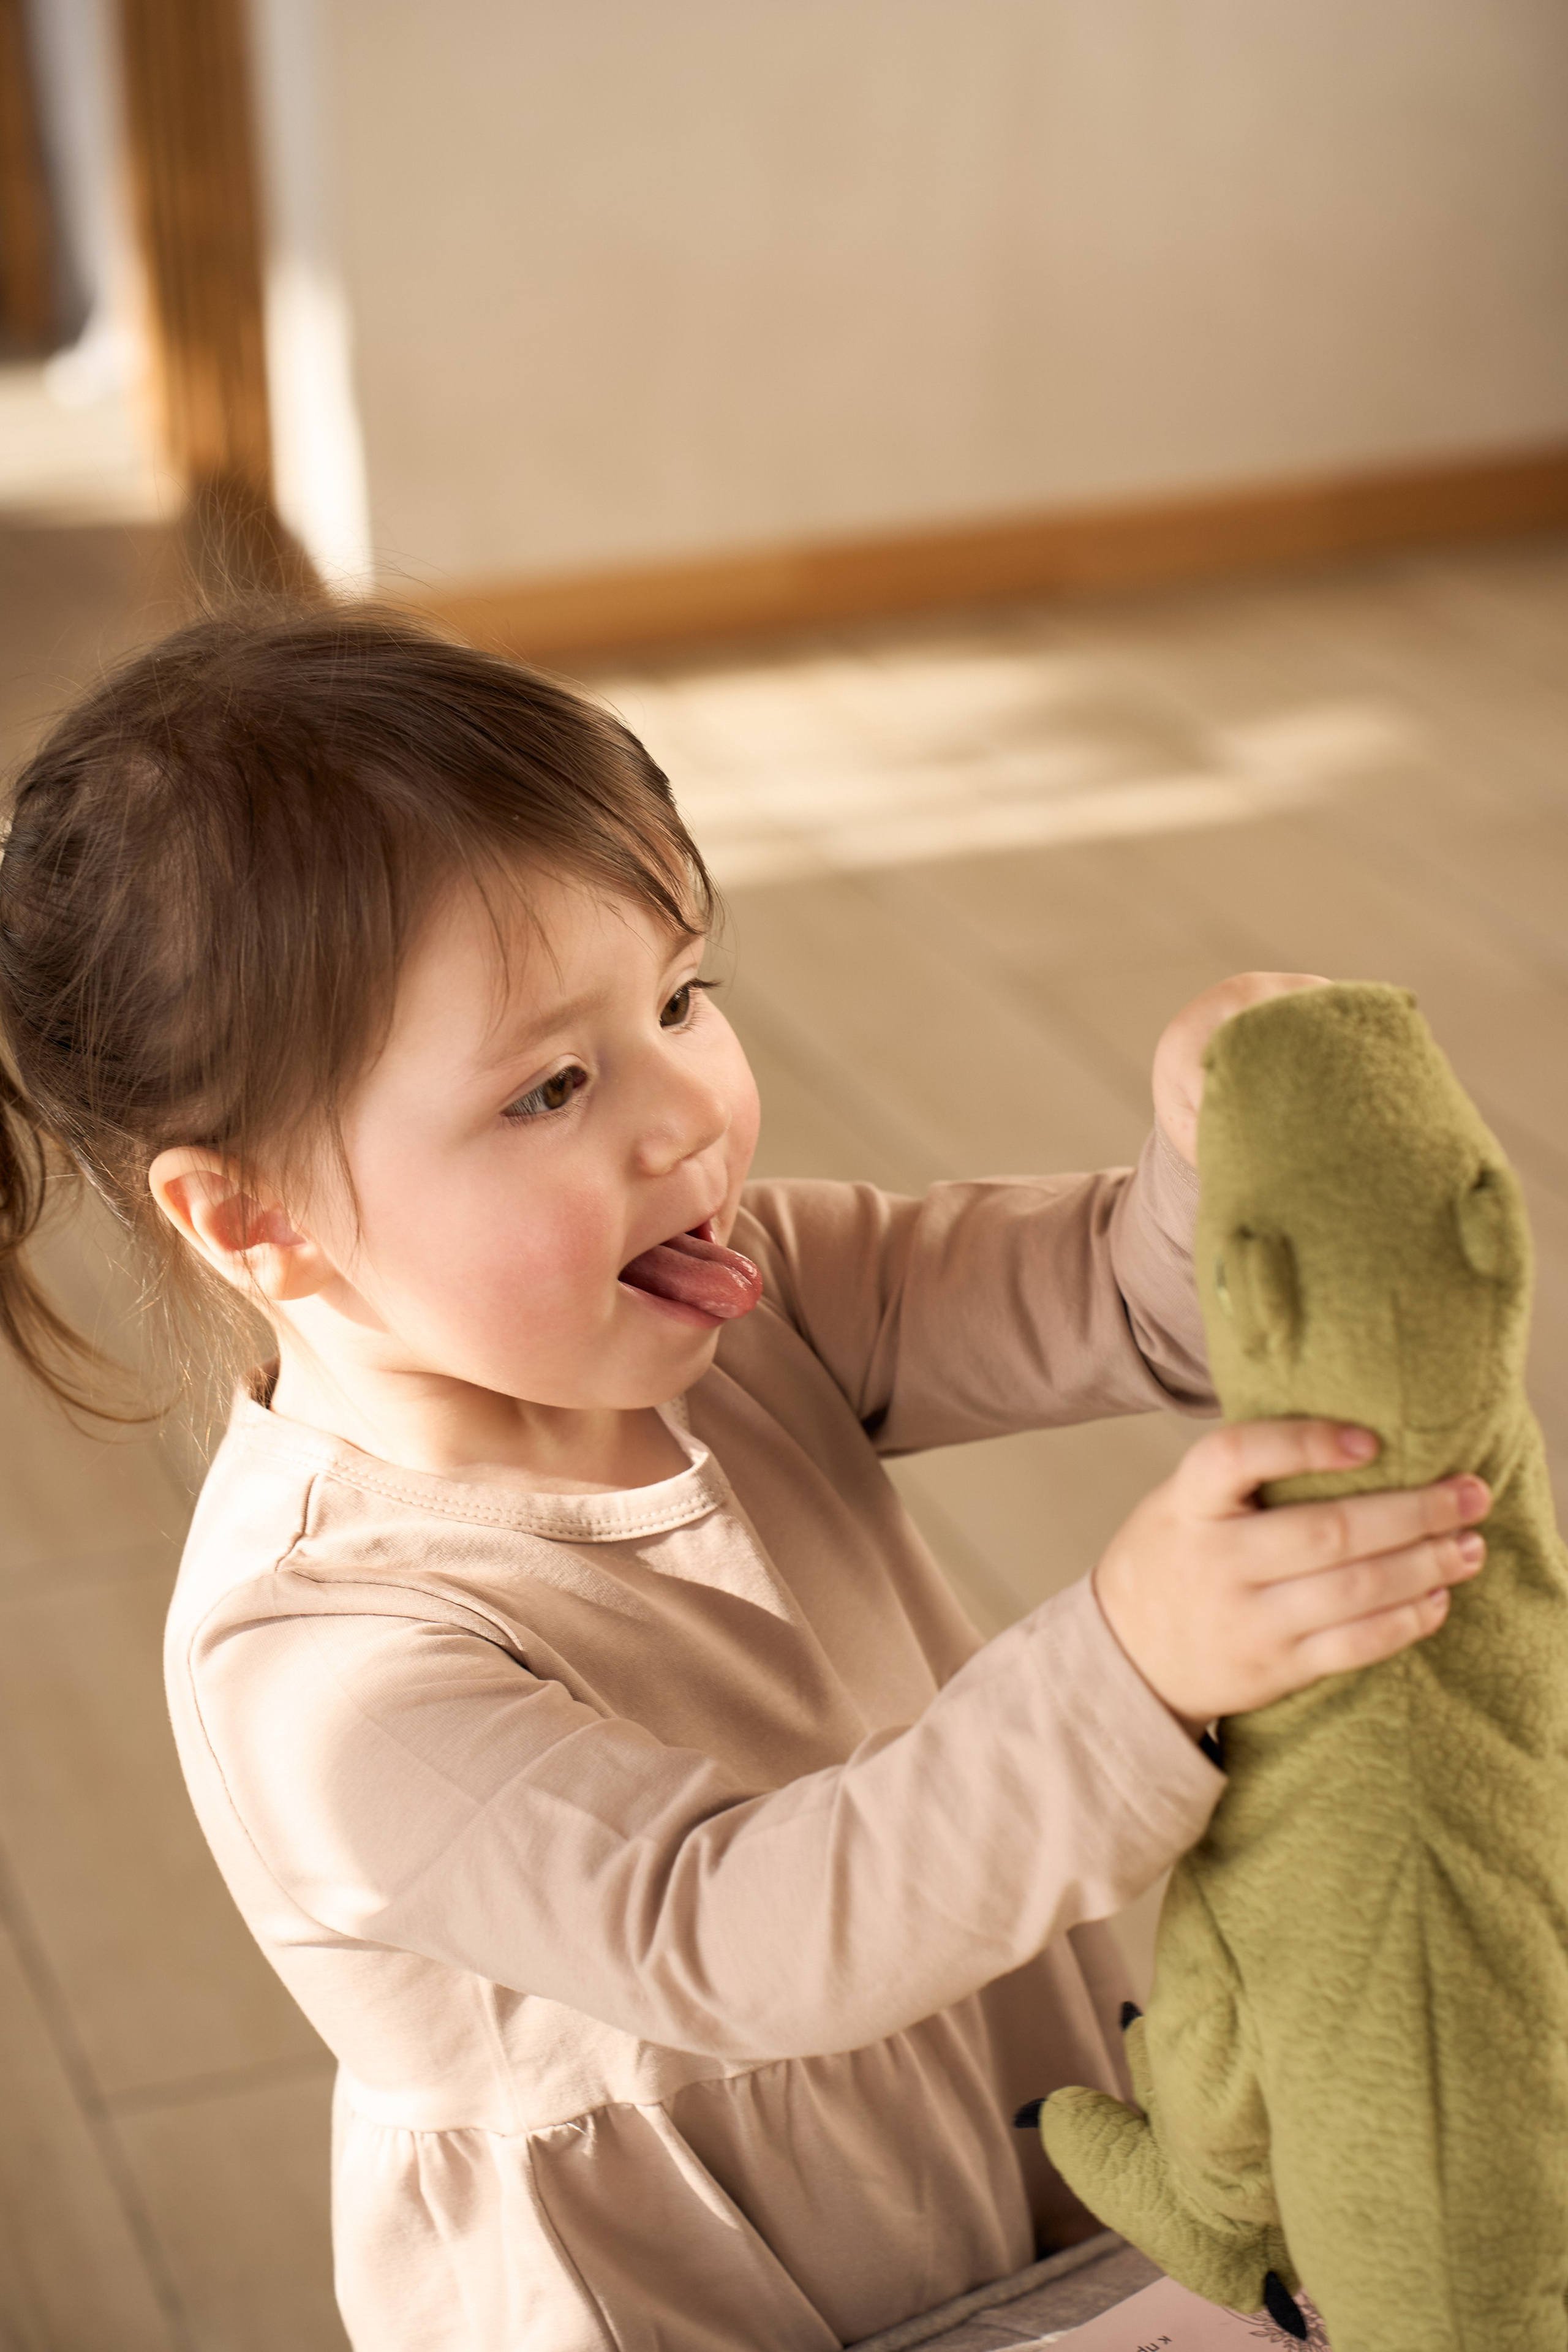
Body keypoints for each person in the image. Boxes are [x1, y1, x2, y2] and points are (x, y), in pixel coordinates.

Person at [0, 609, 1488, 2352]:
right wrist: (1126, 1673)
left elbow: (1104, 1295)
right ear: (257, 1220)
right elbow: (731, 1941)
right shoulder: (324, 1669)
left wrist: (1218, 1157)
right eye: (551, 1086)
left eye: (683, 998)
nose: (686, 1114)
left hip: (1037, 2193)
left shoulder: (749, 1294)